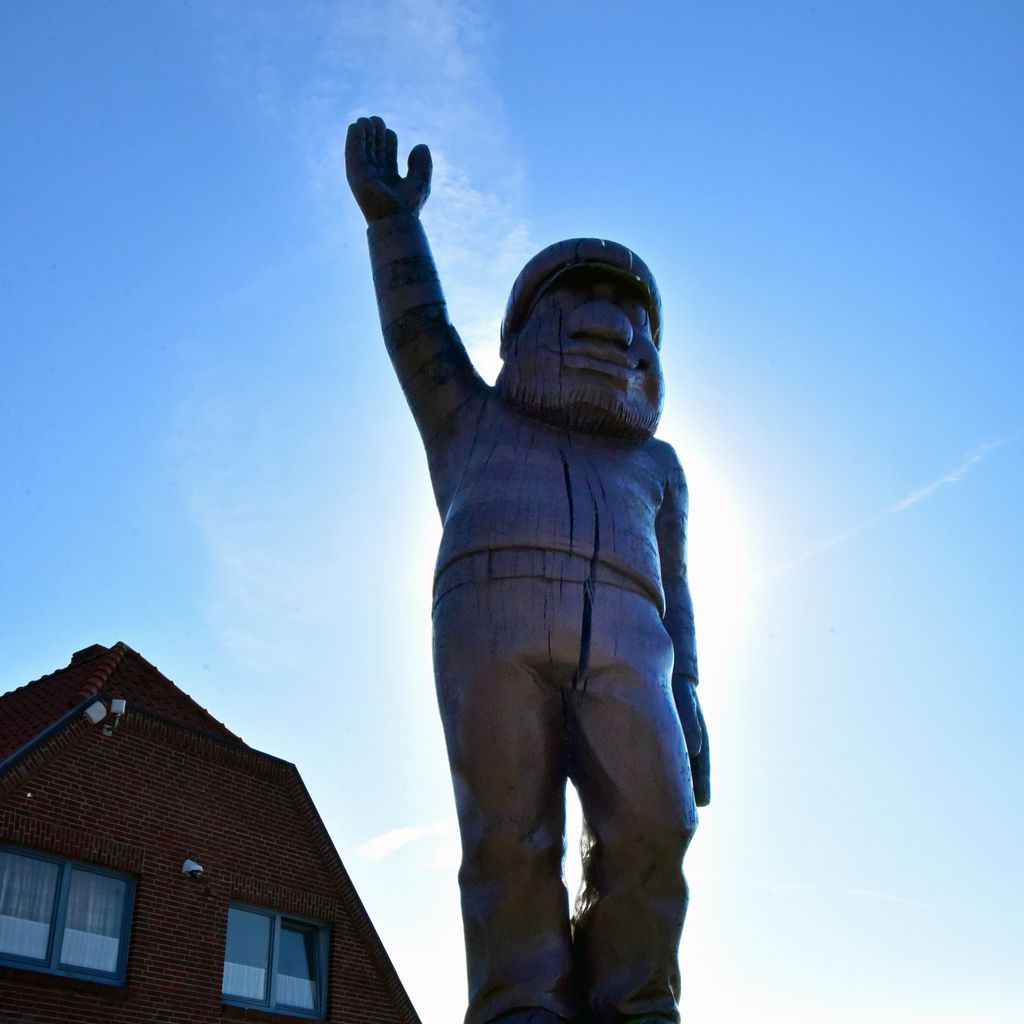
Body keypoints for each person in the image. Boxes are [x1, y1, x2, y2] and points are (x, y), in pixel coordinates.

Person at [346, 115, 710, 1024]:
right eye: (576, 302)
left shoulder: (656, 466)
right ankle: (521, 1006)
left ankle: (637, 999)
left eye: (633, 314)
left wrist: (693, 698)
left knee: (659, 822)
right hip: (489, 626)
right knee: (508, 832)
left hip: (635, 639)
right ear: (516, 337)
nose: (608, 322)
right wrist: (394, 224)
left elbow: (684, 592)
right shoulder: (470, 419)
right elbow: (417, 328)